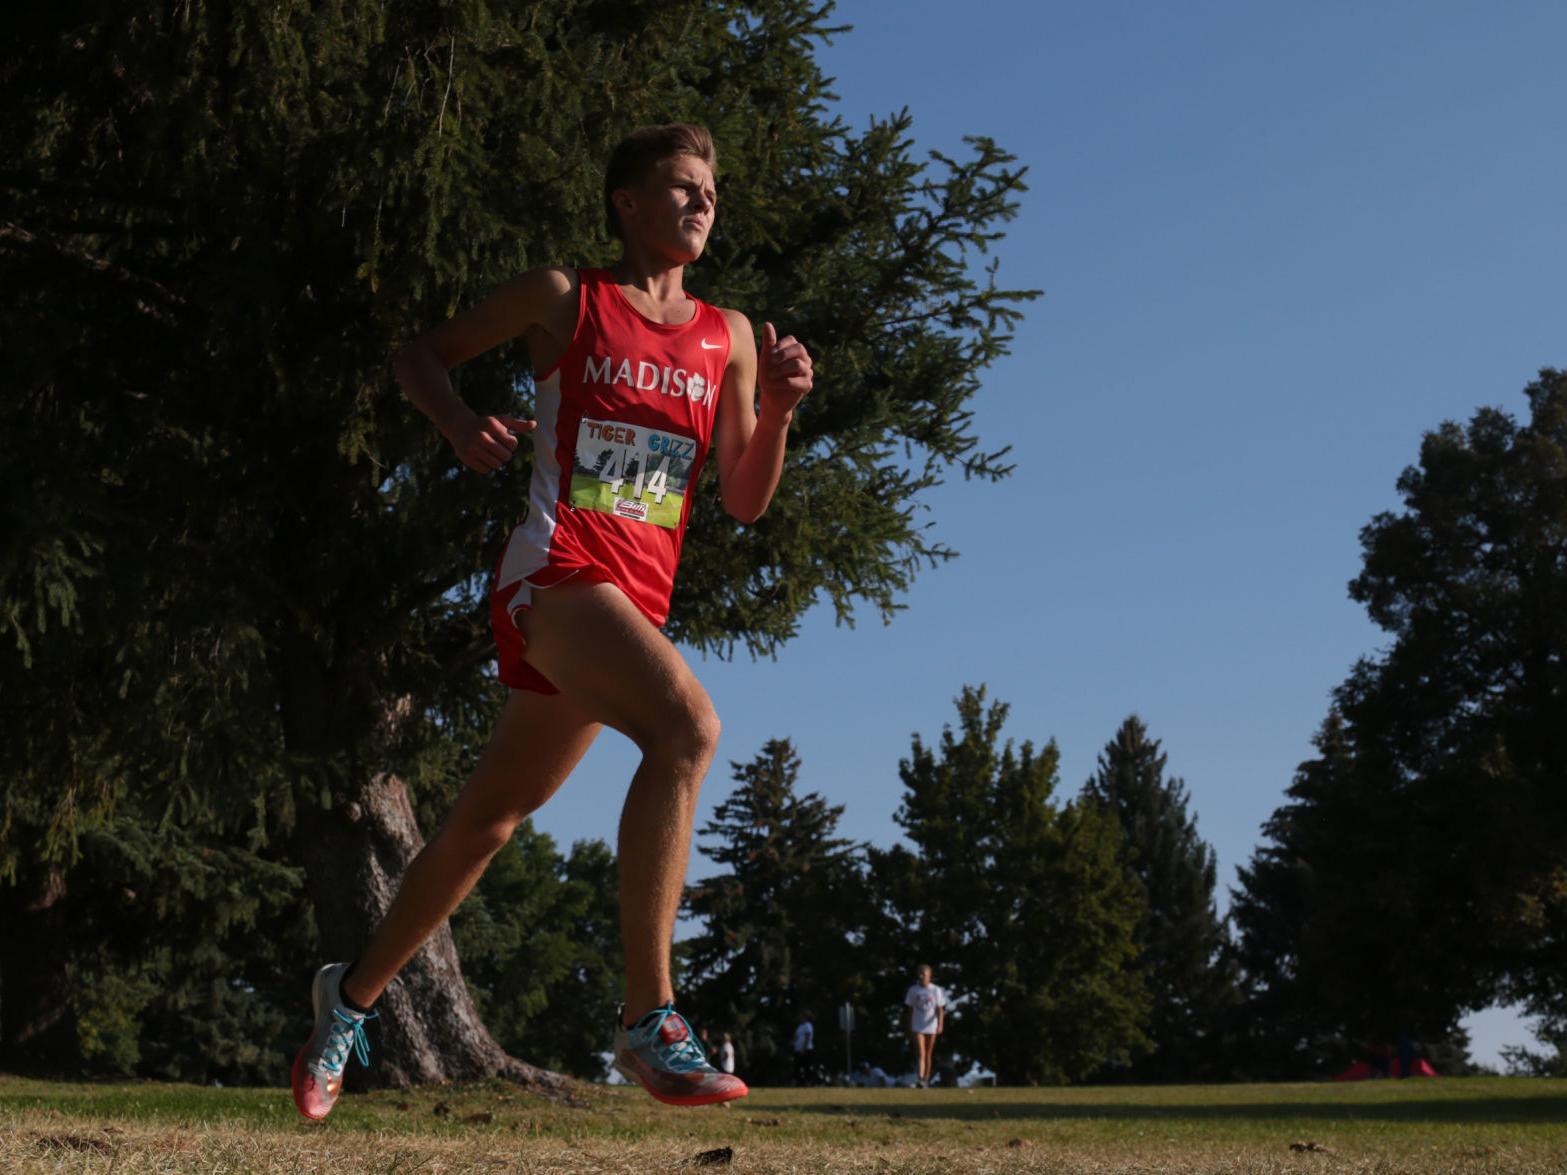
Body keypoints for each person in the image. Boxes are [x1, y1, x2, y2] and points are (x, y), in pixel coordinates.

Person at [289, 123, 814, 1119]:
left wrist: (779, 409)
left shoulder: (730, 335)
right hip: (555, 571)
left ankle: (348, 1000)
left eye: (711, 191)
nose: (702, 203)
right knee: (686, 727)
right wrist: (457, 421)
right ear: (626, 201)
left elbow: (742, 498)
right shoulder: (564, 297)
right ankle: (649, 1016)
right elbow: (421, 355)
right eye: (680, 186)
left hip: (631, 598)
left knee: (489, 817)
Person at [904, 964, 945, 1088]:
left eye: (924, 974)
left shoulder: (935, 990)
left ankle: (926, 1078)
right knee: (920, 1052)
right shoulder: (913, 990)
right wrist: (909, 1025)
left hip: (931, 1025)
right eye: (919, 974)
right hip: (917, 1025)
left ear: (929, 976)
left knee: (928, 1053)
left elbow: (940, 1009)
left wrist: (940, 1024)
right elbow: (910, 1009)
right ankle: (920, 1078)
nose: (921, 976)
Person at [791, 1010, 816, 1086]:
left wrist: (804, 1049)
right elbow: (796, 1037)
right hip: (797, 1050)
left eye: (801, 1017)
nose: (800, 1018)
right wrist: (793, 1043)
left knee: (806, 1067)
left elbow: (807, 1038)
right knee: (797, 1067)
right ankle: (795, 1082)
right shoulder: (800, 1026)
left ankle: (808, 1083)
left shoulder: (808, 1026)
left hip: (806, 1050)